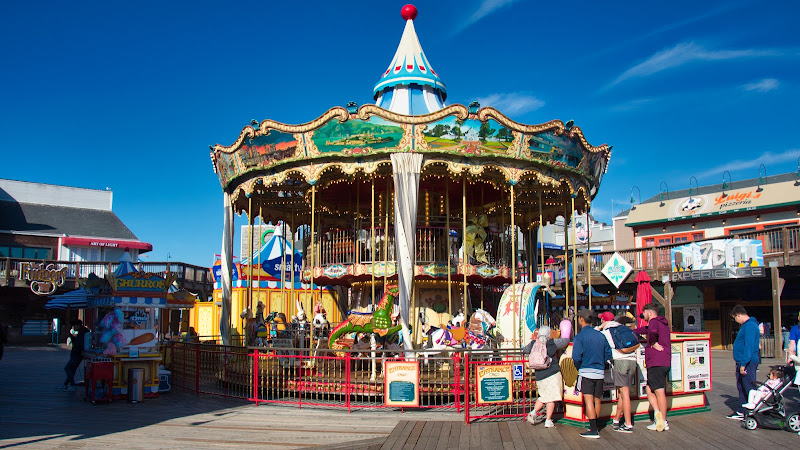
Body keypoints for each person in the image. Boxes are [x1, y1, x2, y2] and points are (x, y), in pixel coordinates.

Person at [572, 309, 612, 439]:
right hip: (599, 372)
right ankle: (595, 426)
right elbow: (608, 354)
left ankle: (593, 429)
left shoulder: (579, 337)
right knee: (597, 399)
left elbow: (576, 357)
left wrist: (579, 367)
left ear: (581, 320)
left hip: (586, 371)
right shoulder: (601, 335)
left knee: (588, 400)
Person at [634, 302, 672, 432]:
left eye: (644, 313)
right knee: (649, 389)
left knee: (659, 392)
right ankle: (658, 415)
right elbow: (646, 330)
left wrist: (653, 342)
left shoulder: (654, 322)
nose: (643, 315)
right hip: (664, 361)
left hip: (656, 361)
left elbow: (652, 331)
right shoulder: (663, 323)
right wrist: (631, 331)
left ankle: (663, 421)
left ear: (650, 313)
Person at [598, 311, 638, 433]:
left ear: (603, 320)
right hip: (632, 361)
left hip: (620, 362)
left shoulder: (606, 332)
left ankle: (628, 424)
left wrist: (600, 327)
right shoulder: (622, 328)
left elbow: (595, 337)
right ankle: (616, 419)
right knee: (622, 393)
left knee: (624, 394)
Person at [523, 325, 564, 428]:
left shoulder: (533, 343)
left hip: (539, 375)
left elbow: (525, 350)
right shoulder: (552, 343)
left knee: (544, 396)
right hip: (552, 373)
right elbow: (566, 341)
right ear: (549, 334)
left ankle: (533, 412)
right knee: (551, 398)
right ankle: (548, 420)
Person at [728, 305, 760, 420]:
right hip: (743, 361)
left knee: (748, 387)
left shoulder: (750, 326)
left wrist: (743, 364)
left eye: (735, 318)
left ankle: (752, 411)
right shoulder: (747, 325)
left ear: (738, 315)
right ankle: (742, 410)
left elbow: (749, 346)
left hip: (747, 362)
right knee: (741, 386)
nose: (736, 321)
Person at [59, 319, 89, 391]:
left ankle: (72, 385)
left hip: (77, 354)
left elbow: (79, 344)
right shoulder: (82, 332)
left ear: (78, 325)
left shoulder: (81, 333)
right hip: (78, 354)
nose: (73, 327)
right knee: (72, 370)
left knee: (68, 368)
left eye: (74, 326)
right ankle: (65, 384)